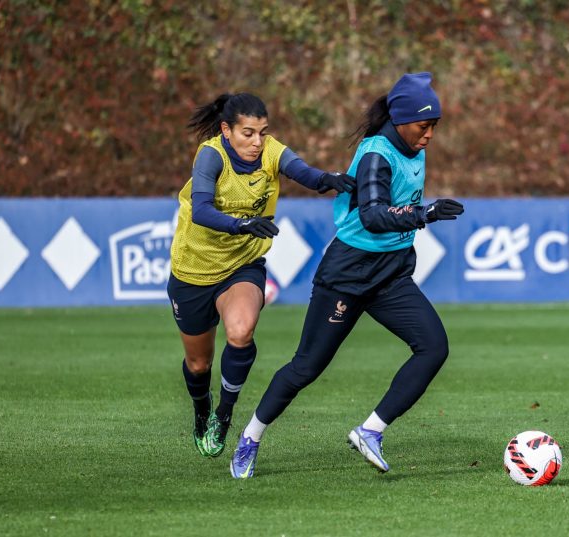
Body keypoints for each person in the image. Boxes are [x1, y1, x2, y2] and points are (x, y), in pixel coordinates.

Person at [228, 72, 465, 479]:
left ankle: (370, 431)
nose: (429, 135)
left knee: (433, 346)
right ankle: (250, 437)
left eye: (434, 127)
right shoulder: (377, 153)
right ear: (402, 120)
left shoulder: (413, 147)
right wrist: (423, 214)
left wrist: (416, 214)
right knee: (306, 368)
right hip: (348, 274)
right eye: (424, 126)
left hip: (391, 275)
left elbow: (393, 206)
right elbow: (372, 216)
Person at [168, 92, 356, 458]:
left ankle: (223, 414)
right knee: (198, 363)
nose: (257, 142)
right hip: (193, 269)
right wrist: (241, 224)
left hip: (242, 266)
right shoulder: (211, 155)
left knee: (241, 331)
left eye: (262, 132)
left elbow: (303, 173)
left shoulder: (270, 151)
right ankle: (201, 408)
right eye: (248, 133)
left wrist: (331, 179)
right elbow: (202, 210)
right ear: (226, 130)